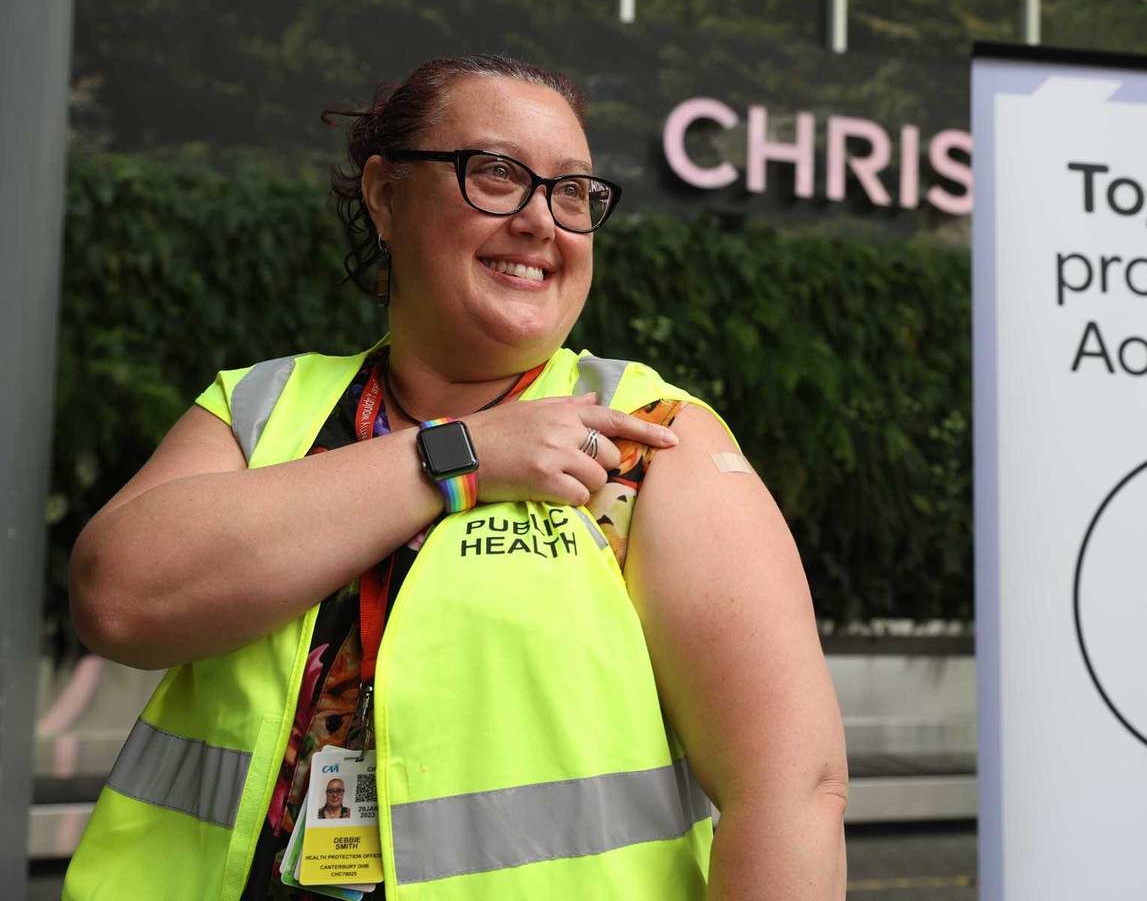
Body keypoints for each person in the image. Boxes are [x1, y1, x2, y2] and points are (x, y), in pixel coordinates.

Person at [62, 55, 848, 900]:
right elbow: (119, 601)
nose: (544, 220)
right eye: (499, 174)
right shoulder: (265, 408)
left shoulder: (644, 439)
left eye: (574, 191)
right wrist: (461, 454)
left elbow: (789, 792)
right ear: (386, 194)